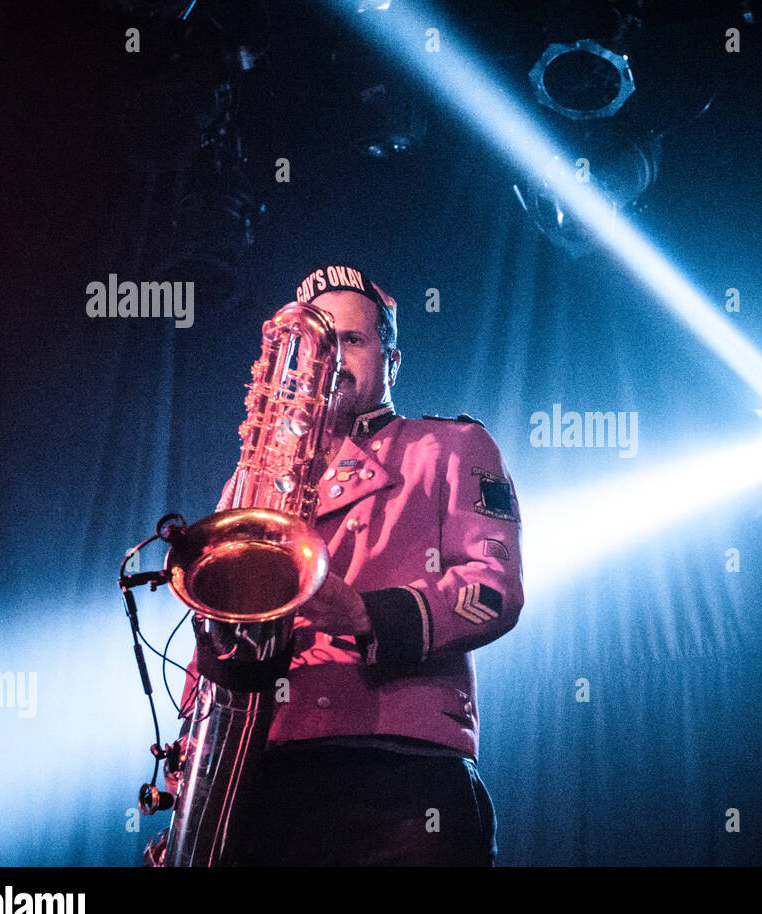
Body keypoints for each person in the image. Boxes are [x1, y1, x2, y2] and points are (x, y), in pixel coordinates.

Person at [175, 261, 523, 866]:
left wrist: (364, 613)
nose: (330, 357)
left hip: (400, 778)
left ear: (391, 363)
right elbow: (217, 616)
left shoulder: (451, 446)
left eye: (352, 340)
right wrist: (192, 761)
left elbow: (492, 588)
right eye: (320, 342)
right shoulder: (250, 480)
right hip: (263, 772)